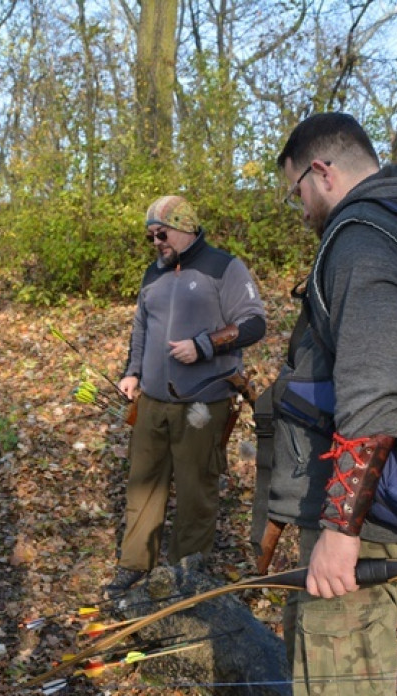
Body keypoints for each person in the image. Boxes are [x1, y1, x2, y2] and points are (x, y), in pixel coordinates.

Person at [265, 113, 397, 696]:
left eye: (297, 191)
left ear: (322, 171)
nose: (300, 210)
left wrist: (341, 529)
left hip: (361, 511)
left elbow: (377, 384)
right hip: (394, 490)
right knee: (352, 674)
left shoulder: (363, 237)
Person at [104, 195, 266, 595]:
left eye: (162, 234)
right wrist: (132, 372)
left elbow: (254, 323)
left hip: (203, 404)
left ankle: (186, 572)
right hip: (152, 401)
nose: (156, 243)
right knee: (143, 484)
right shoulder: (153, 274)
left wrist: (204, 345)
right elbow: (141, 327)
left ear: (186, 227)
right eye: (150, 237)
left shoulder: (223, 267)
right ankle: (135, 564)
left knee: (196, 490)